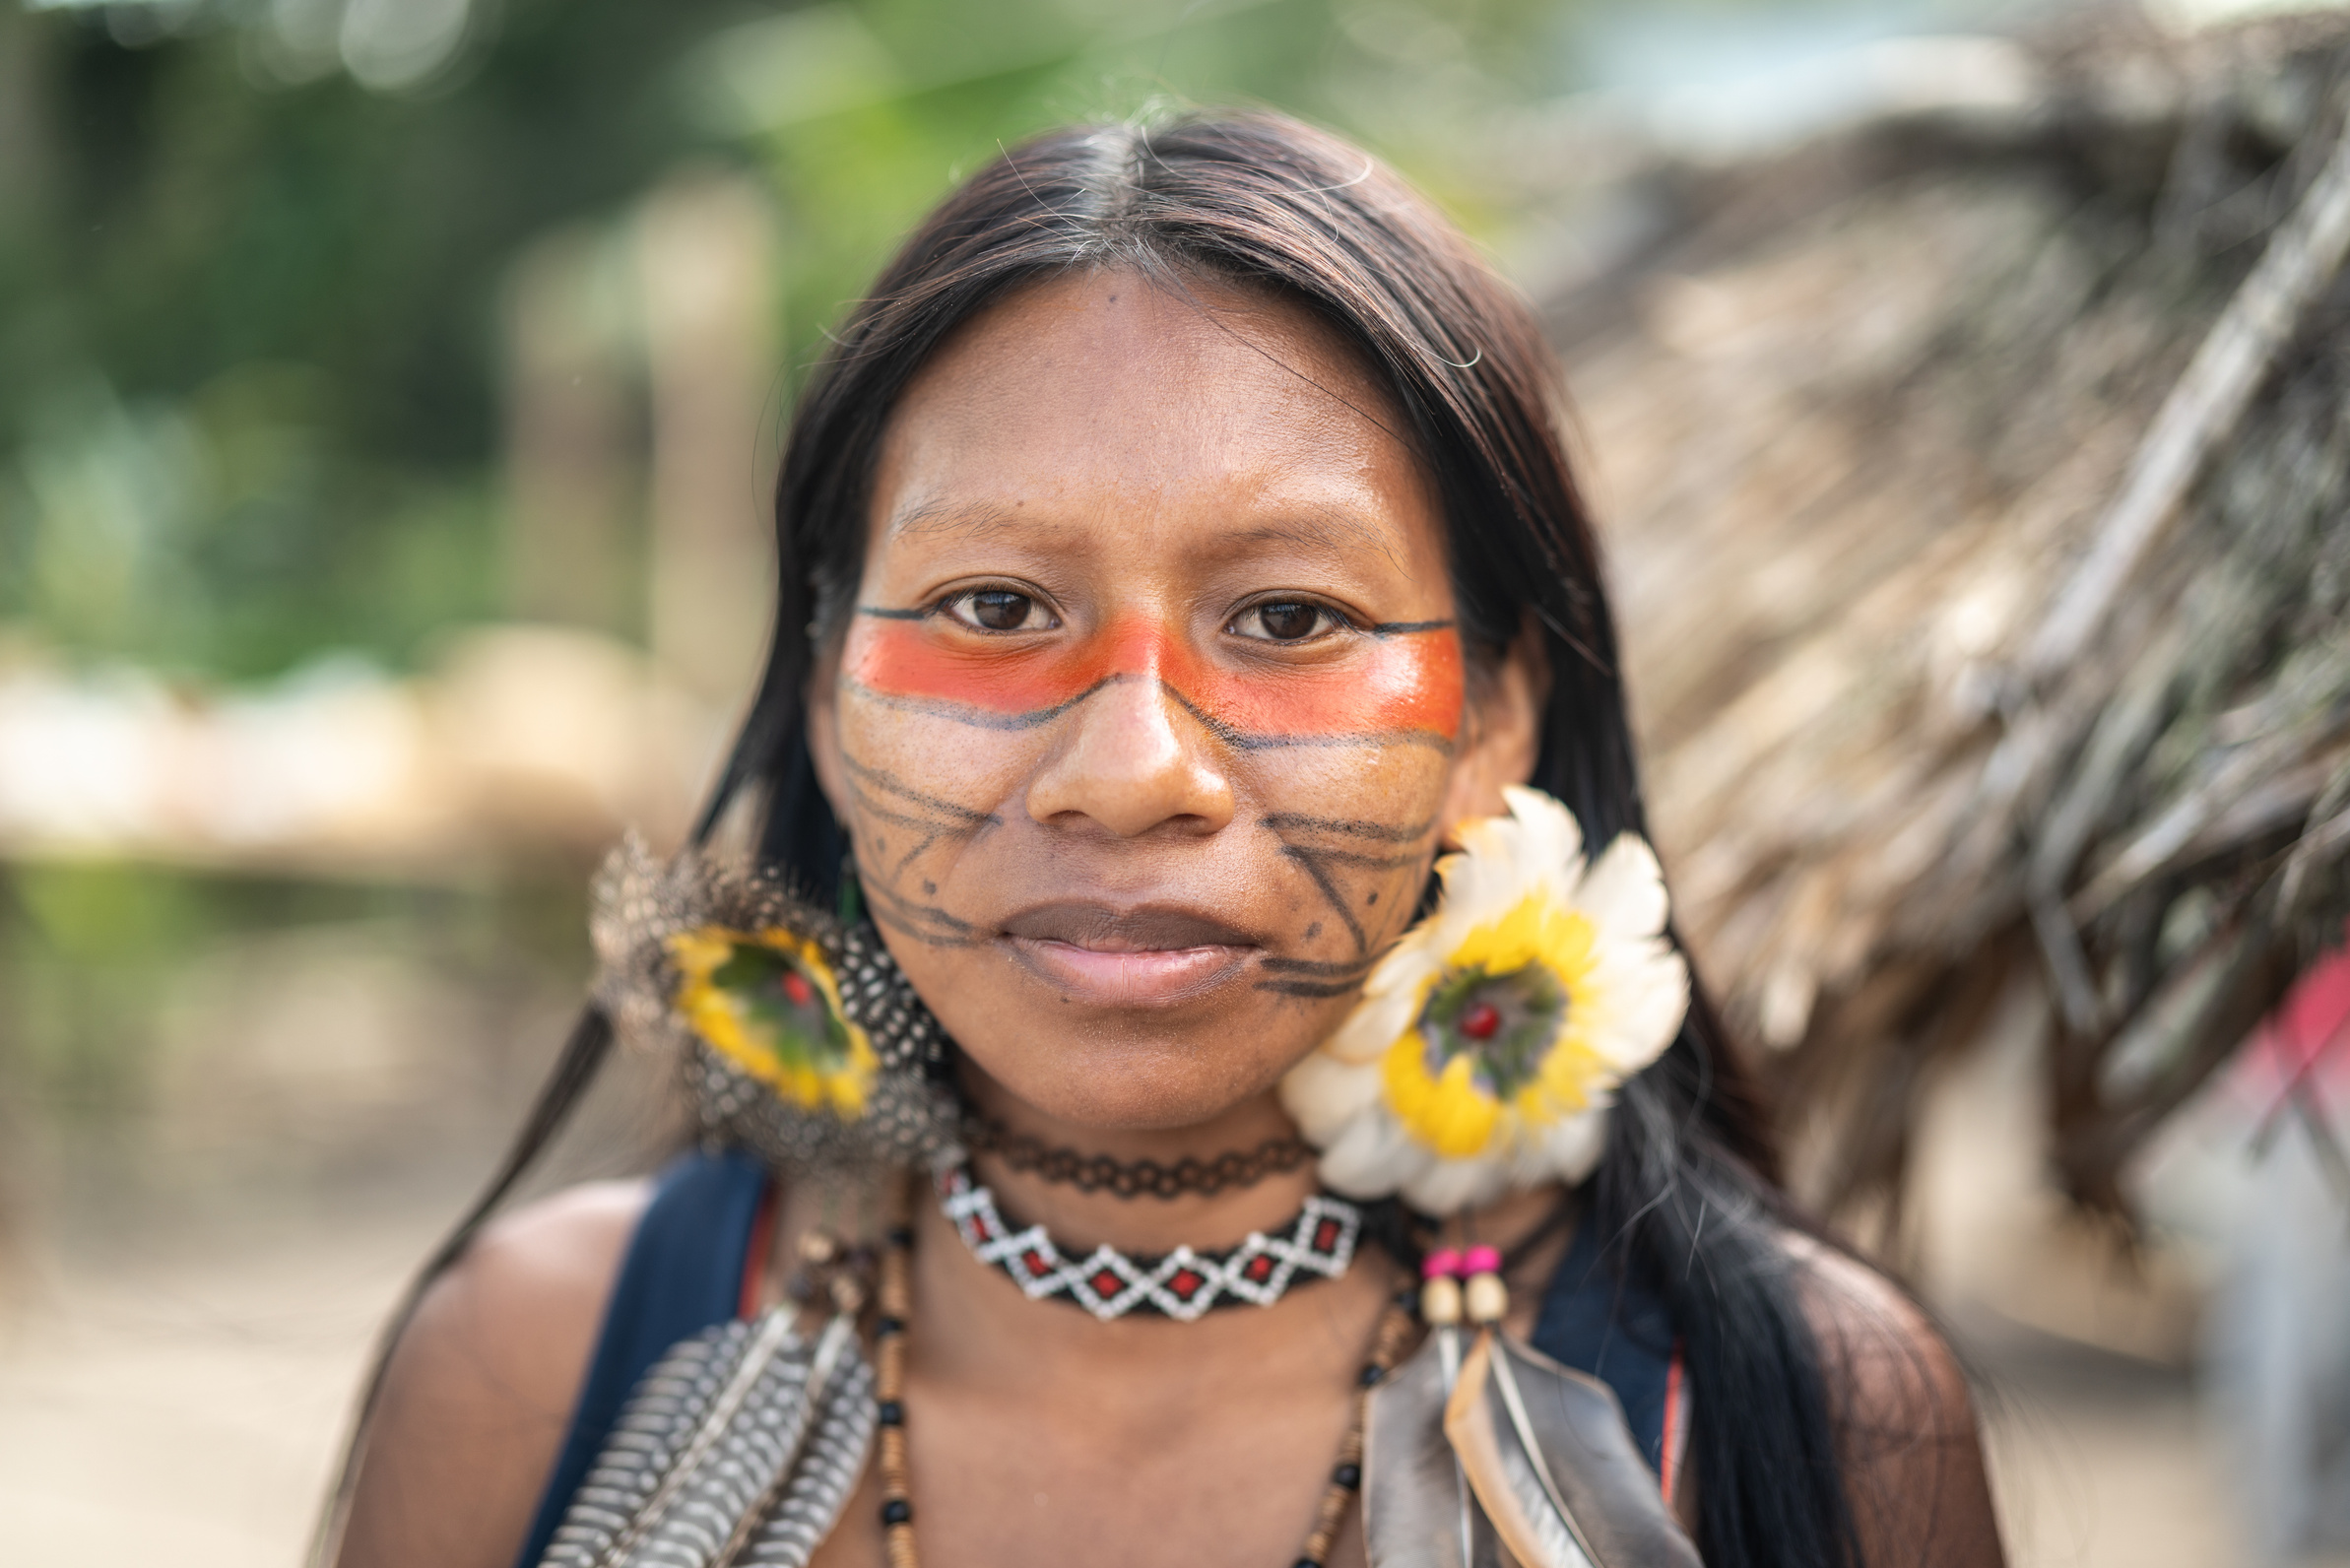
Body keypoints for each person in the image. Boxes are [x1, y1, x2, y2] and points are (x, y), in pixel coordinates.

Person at [323, 112, 2004, 1568]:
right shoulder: (532, 1364)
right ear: (831, 700)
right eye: (991, 606)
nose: (1129, 771)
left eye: (1286, 614)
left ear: (1493, 718)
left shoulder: (1793, 1418)